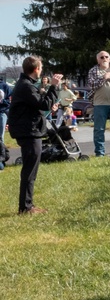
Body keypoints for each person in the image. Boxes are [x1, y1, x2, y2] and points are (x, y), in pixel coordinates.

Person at [8, 56, 62, 214]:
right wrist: (53, 87)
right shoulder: (26, 86)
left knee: (31, 169)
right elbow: (43, 103)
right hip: (28, 132)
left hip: (30, 130)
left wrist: (48, 105)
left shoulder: (27, 85)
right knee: (29, 170)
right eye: (41, 67)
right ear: (36, 69)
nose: (42, 71)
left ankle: (27, 205)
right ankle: (25, 207)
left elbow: (38, 105)